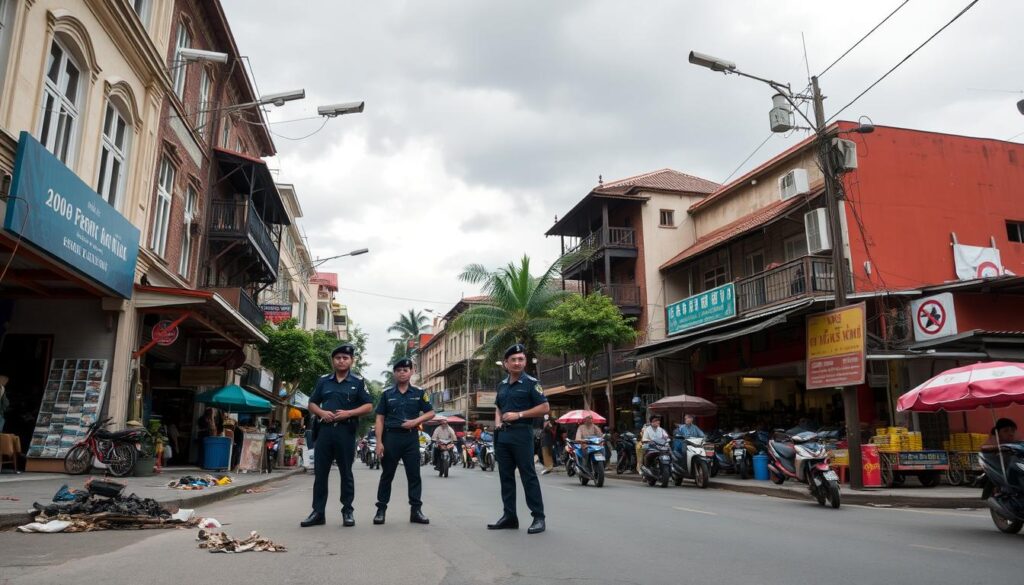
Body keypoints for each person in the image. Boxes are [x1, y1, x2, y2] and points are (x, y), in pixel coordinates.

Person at [301, 344, 373, 528]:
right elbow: (312, 403)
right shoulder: (323, 381)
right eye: (338, 358)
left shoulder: (358, 382)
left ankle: (347, 511)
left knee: (346, 473)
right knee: (321, 473)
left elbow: (368, 406)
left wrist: (349, 413)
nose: (341, 360)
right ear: (333, 361)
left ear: (351, 361)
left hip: (346, 431)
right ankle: (318, 512)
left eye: (345, 358)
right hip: (325, 431)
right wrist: (321, 413)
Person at [488, 344, 549, 535]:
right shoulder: (502, 385)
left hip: (522, 433)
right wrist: (498, 421)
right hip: (503, 435)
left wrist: (519, 415)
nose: (517, 362)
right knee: (505, 477)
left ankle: (538, 517)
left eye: (521, 359)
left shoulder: (531, 383)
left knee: (528, 476)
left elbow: (545, 407)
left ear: (525, 361)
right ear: (506, 363)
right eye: (513, 359)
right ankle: (509, 517)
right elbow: (498, 407)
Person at [373, 358, 434, 525]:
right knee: (387, 475)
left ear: (412, 372)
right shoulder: (386, 394)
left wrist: (415, 422)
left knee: (414, 475)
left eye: (405, 369)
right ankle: (381, 510)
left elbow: (431, 413)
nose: (402, 372)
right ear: (394, 373)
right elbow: (379, 419)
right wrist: (379, 442)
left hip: (411, 438)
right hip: (391, 437)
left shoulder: (420, 393)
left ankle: (416, 511)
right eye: (398, 369)